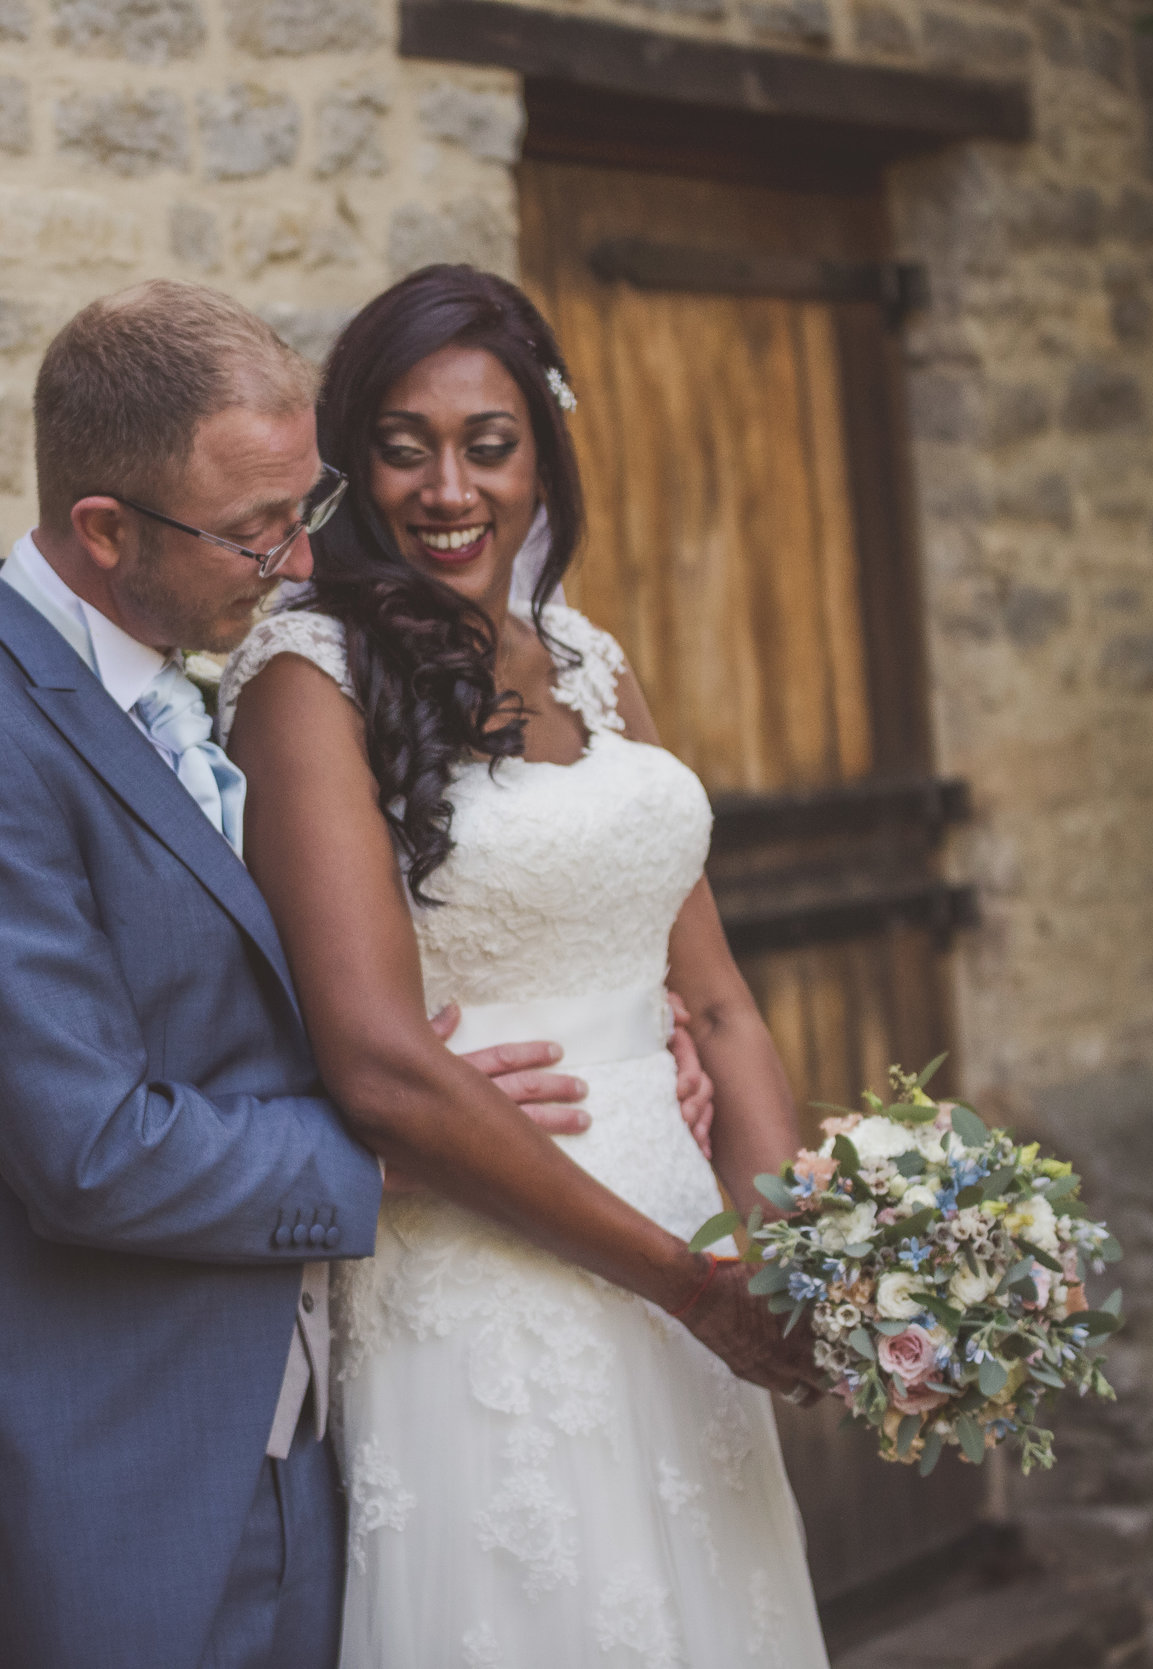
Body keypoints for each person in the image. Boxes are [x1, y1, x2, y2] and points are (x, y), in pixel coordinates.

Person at [0, 280, 735, 1669]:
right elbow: (89, 1145)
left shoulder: (183, 681)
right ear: (103, 531)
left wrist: (612, 1001)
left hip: (317, 1440)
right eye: (258, 530)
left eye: (304, 509)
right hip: (122, 1467)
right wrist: (392, 1159)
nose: (301, 562)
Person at [219, 264, 834, 1666]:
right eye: (404, 444)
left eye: (487, 444)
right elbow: (379, 1067)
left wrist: (788, 1256)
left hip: (695, 1264)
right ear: (352, 465)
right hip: (490, 1276)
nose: (449, 487)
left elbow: (720, 996)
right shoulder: (306, 679)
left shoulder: (591, 661)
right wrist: (688, 1281)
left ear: (541, 451)